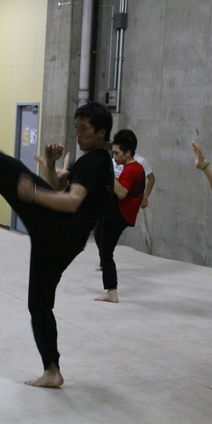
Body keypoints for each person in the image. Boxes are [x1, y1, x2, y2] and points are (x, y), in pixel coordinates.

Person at [0, 102, 113, 388]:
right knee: (39, 303)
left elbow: (71, 202)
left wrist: (32, 194)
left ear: (101, 132)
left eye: (84, 128)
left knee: (7, 168)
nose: (78, 134)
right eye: (76, 128)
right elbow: (58, 189)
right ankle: (52, 371)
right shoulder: (95, 162)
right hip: (65, 239)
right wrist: (51, 165)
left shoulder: (95, 160)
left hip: (60, 230)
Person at [94, 129, 146, 303]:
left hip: (118, 215)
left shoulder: (132, 169)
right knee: (100, 236)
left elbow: (122, 193)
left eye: (117, 153)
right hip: (116, 213)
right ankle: (106, 270)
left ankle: (112, 291)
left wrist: (108, 171)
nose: (114, 156)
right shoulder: (133, 168)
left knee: (106, 251)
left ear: (128, 153)